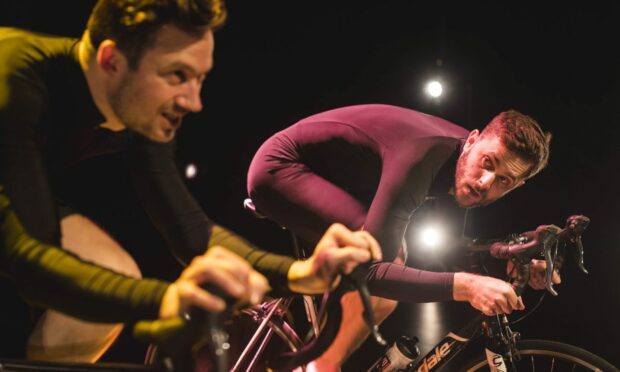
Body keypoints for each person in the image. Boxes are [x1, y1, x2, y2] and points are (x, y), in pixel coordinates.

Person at [0, 0, 381, 363]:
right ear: (111, 60)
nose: (194, 101)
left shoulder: (141, 109)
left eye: (199, 79)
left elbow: (192, 236)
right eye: (177, 76)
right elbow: (29, 261)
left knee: (111, 270)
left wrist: (300, 274)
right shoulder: (16, 78)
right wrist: (167, 298)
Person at [247, 103, 556, 369]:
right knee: (385, 265)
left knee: (392, 254)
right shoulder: (423, 156)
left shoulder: (462, 167)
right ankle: (320, 366)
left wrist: (510, 262)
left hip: (337, 183)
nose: (486, 182)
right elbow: (370, 272)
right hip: (282, 167)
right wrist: (467, 286)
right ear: (473, 140)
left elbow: (453, 249)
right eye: (488, 163)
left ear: (517, 186)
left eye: (504, 180)